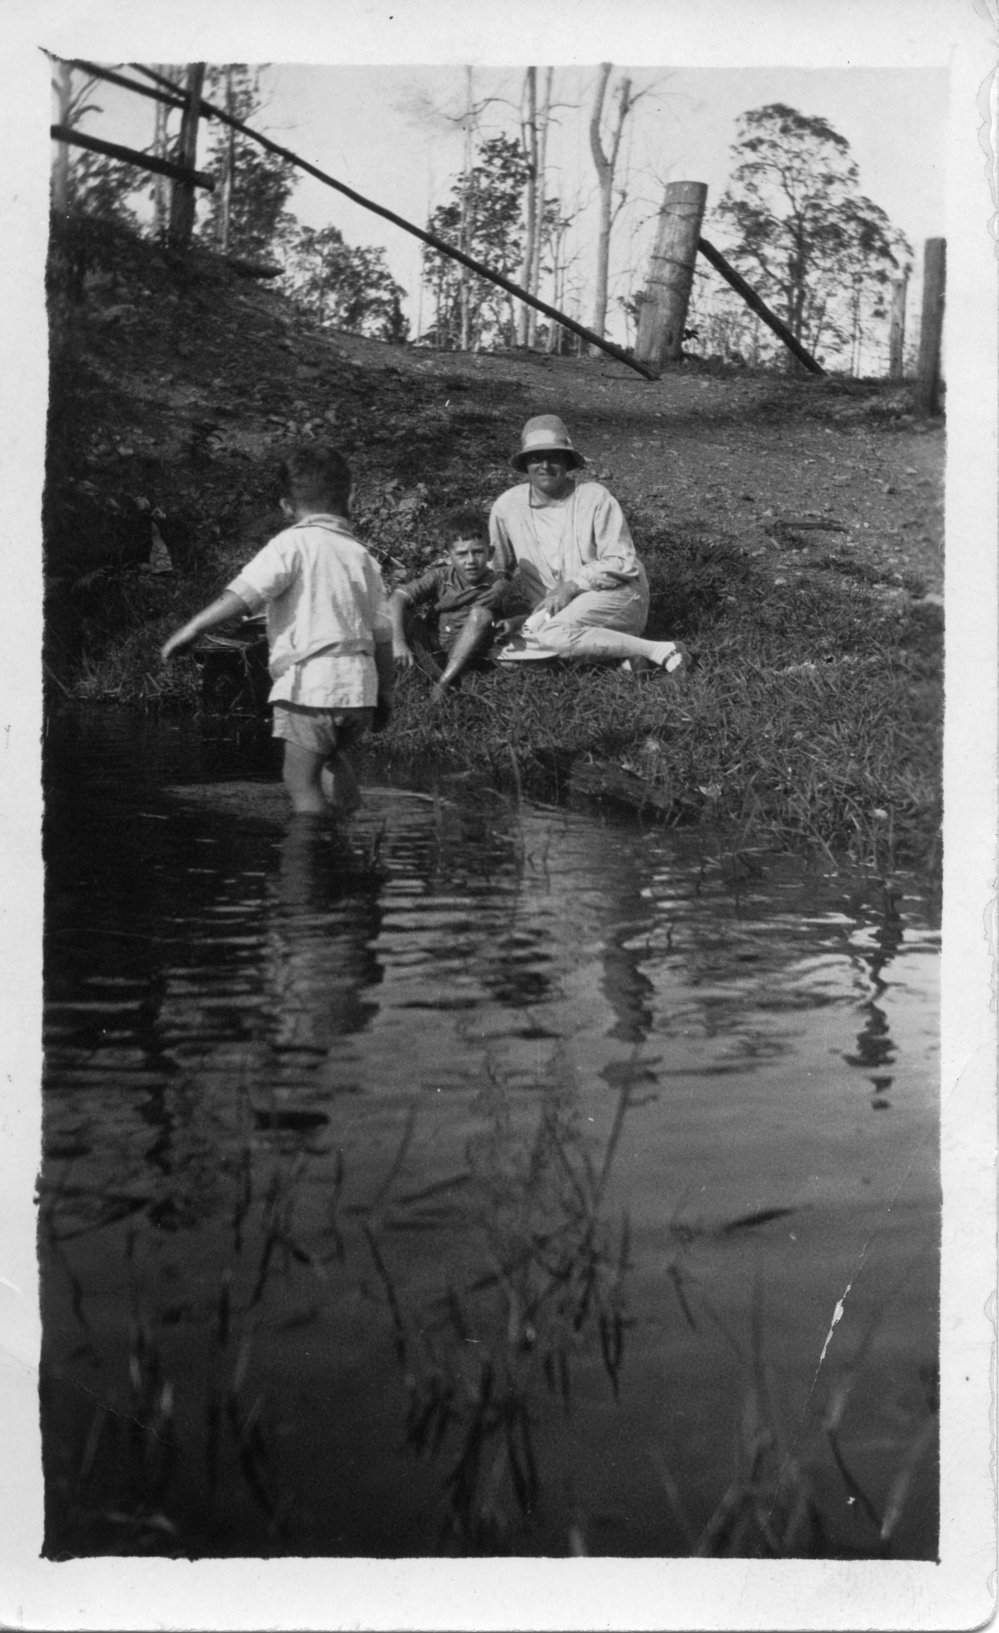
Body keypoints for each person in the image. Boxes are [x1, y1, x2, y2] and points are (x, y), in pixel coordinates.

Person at [161, 444, 394, 817]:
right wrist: (385, 696)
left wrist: (194, 627)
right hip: (358, 690)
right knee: (332, 756)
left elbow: (245, 593)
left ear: (286, 506)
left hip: (310, 687)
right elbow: (383, 635)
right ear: (351, 496)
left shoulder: (291, 544)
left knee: (300, 783)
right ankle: (352, 845)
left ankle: (304, 861)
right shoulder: (362, 557)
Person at [489, 414, 687, 673]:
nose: (545, 466)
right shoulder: (508, 506)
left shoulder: (594, 497)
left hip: (615, 596)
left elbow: (622, 562)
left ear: (567, 462)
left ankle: (661, 650)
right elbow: (498, 570)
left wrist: (571, 586)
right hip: (554, 613)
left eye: (554, 457)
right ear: (525, 464)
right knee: (503, 656)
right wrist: (486, 612)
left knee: (552, 637)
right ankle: (620, 659)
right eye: (536, 458)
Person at [387, 507, 528, 698]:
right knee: (395, 611)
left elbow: (526, 616)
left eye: (478, 552)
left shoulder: (497, 585)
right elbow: (398, 596)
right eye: (461, 554)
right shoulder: (441, 576)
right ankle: (425, 677)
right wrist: (399, 643)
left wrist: (511, 623)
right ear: (448, 555)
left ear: (490, 553)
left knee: (481, 615)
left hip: (471, 652)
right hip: (433, 646)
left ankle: (444, 683)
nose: (471, 561)